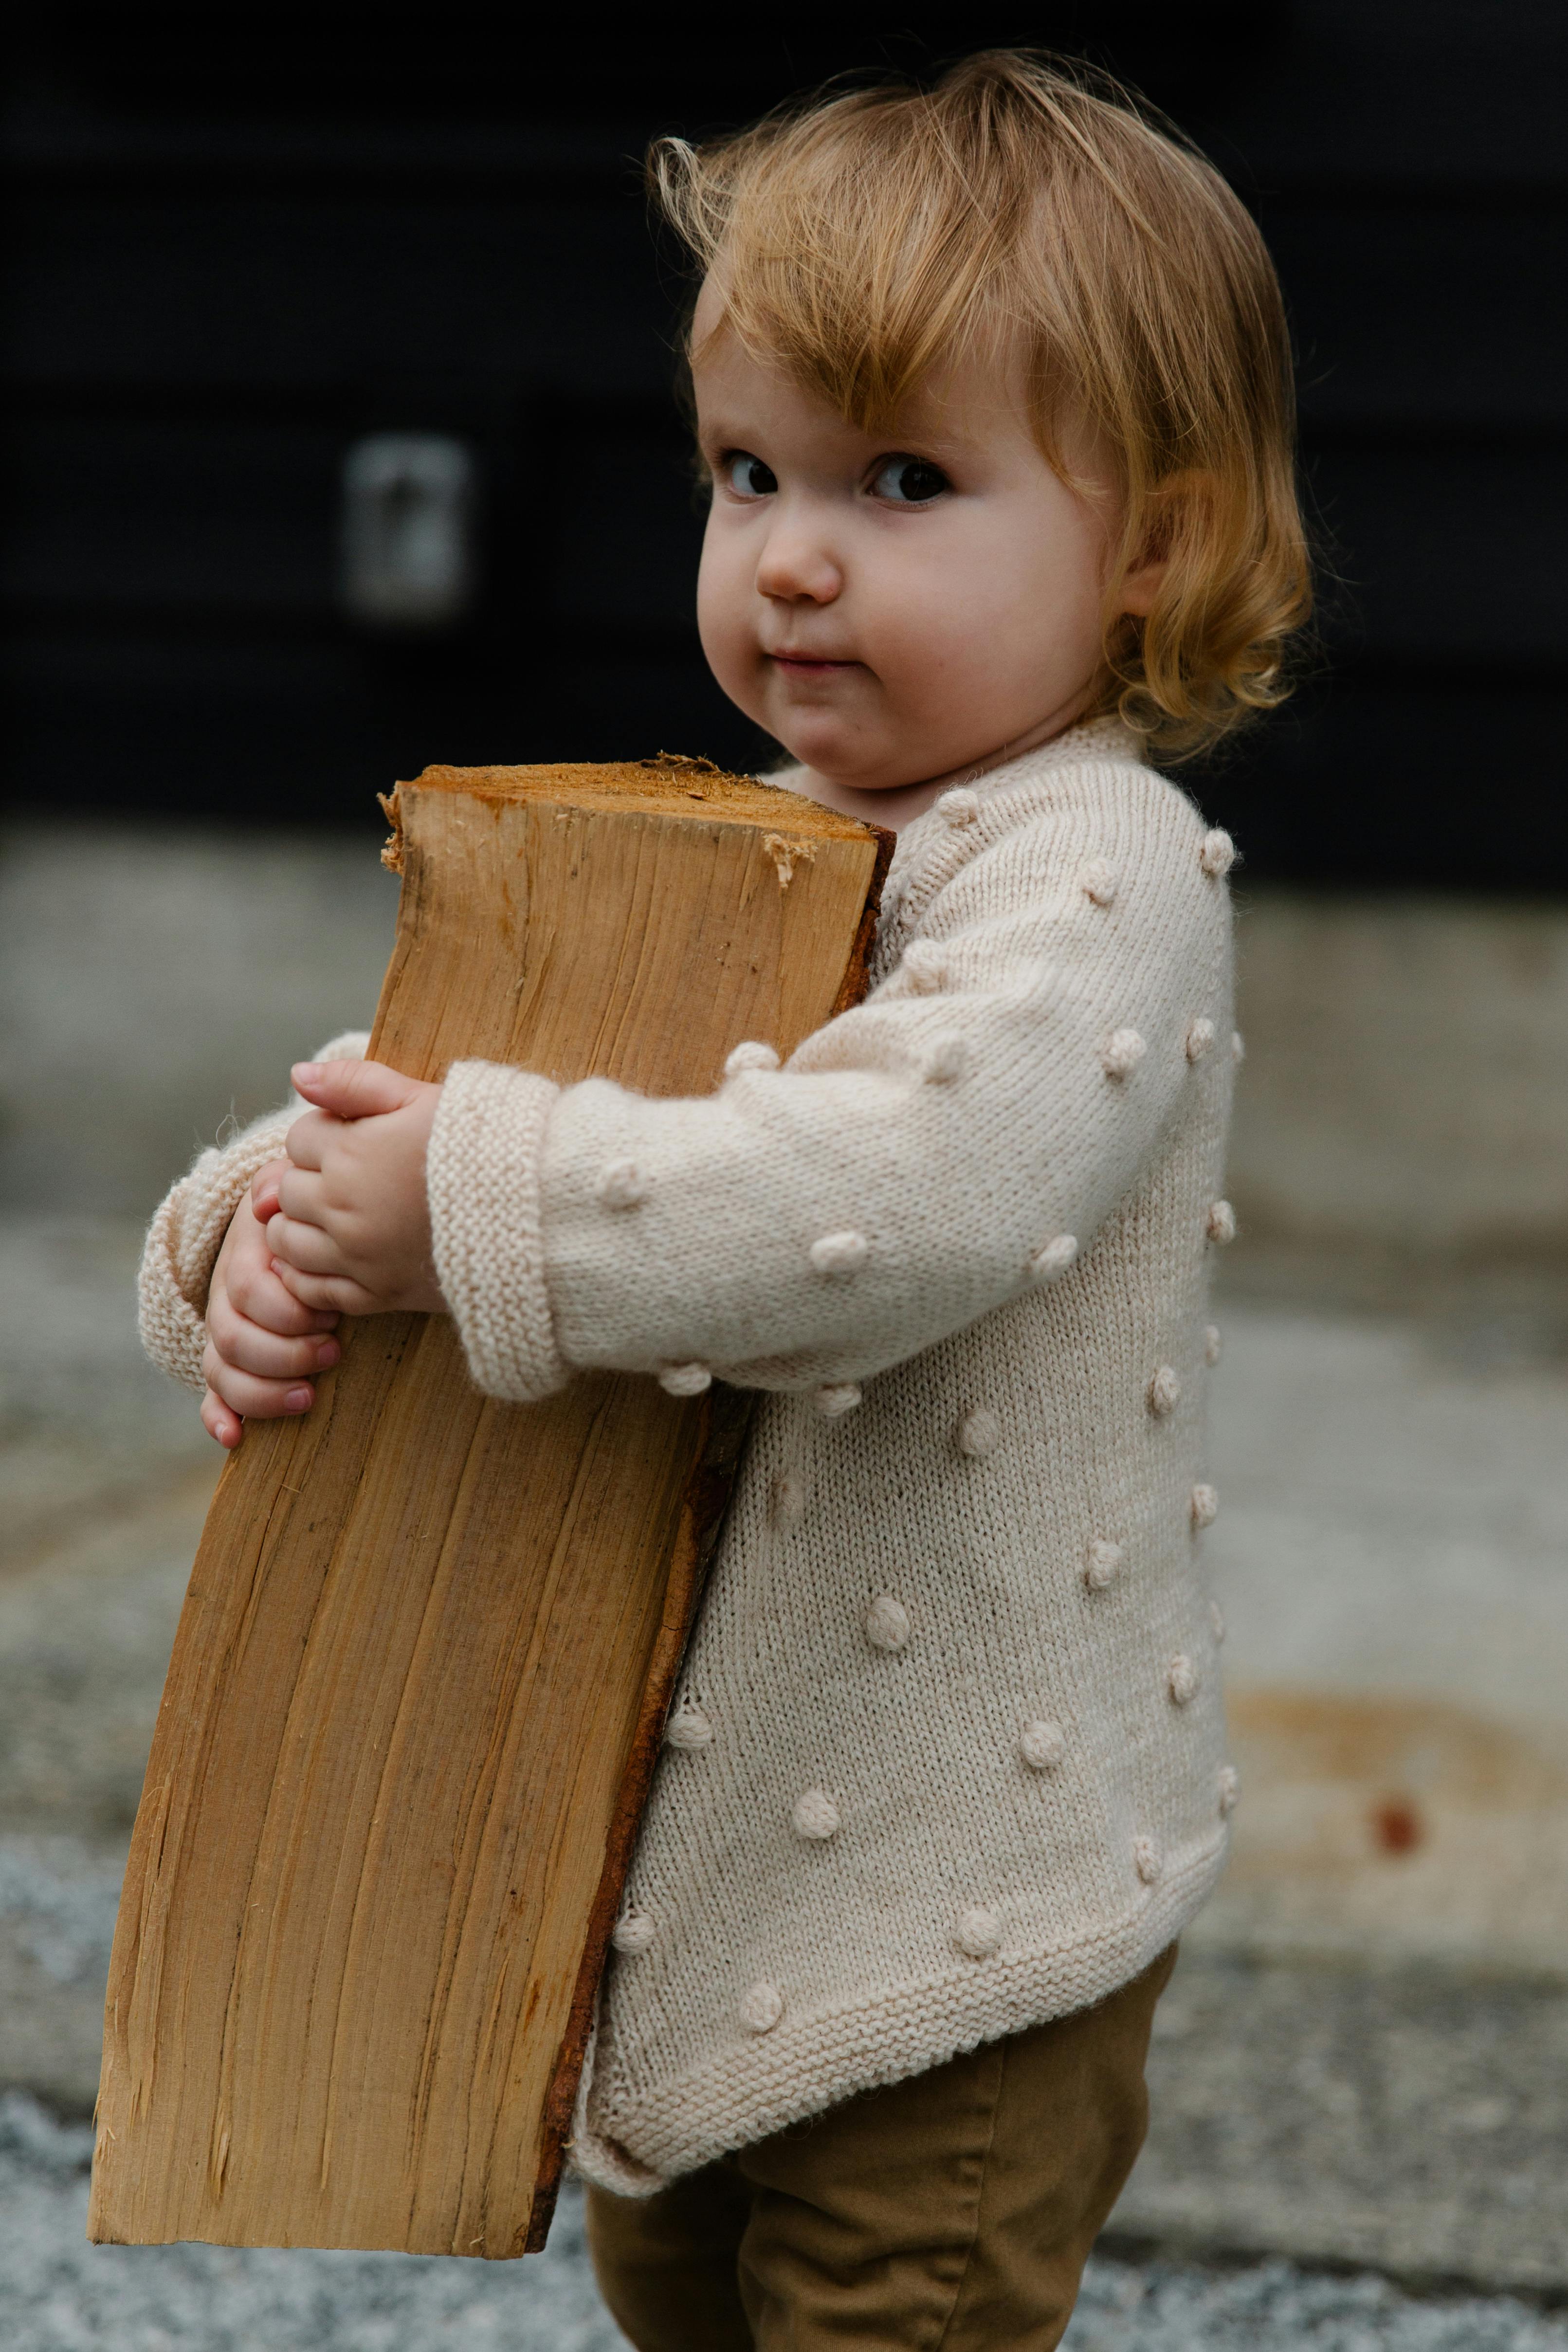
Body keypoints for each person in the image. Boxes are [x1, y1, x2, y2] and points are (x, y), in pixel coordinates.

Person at [137, 50, 1310, 2349]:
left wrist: (464, 1189)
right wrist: (268, 1239)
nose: (788, 552)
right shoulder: (725, 852)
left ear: (1151, 545)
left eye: (902, 481)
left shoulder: (1090, 867)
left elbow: (894, 1198)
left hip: (946, 1919)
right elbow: (442, 1118)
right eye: (746, 471)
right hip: (667, 1895)